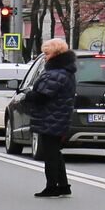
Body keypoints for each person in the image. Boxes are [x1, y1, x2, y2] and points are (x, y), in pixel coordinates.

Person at [21, 38, 76, 198]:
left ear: (56, 54)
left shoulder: (56, 73)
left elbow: (43, 95)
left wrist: (29, 95)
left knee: (50, 153)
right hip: (57, 116)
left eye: (46, 53)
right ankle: (63, 186)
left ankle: (51, 186)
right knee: (55, 152)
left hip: (52, 117)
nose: (44, 56)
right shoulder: (65, 71)